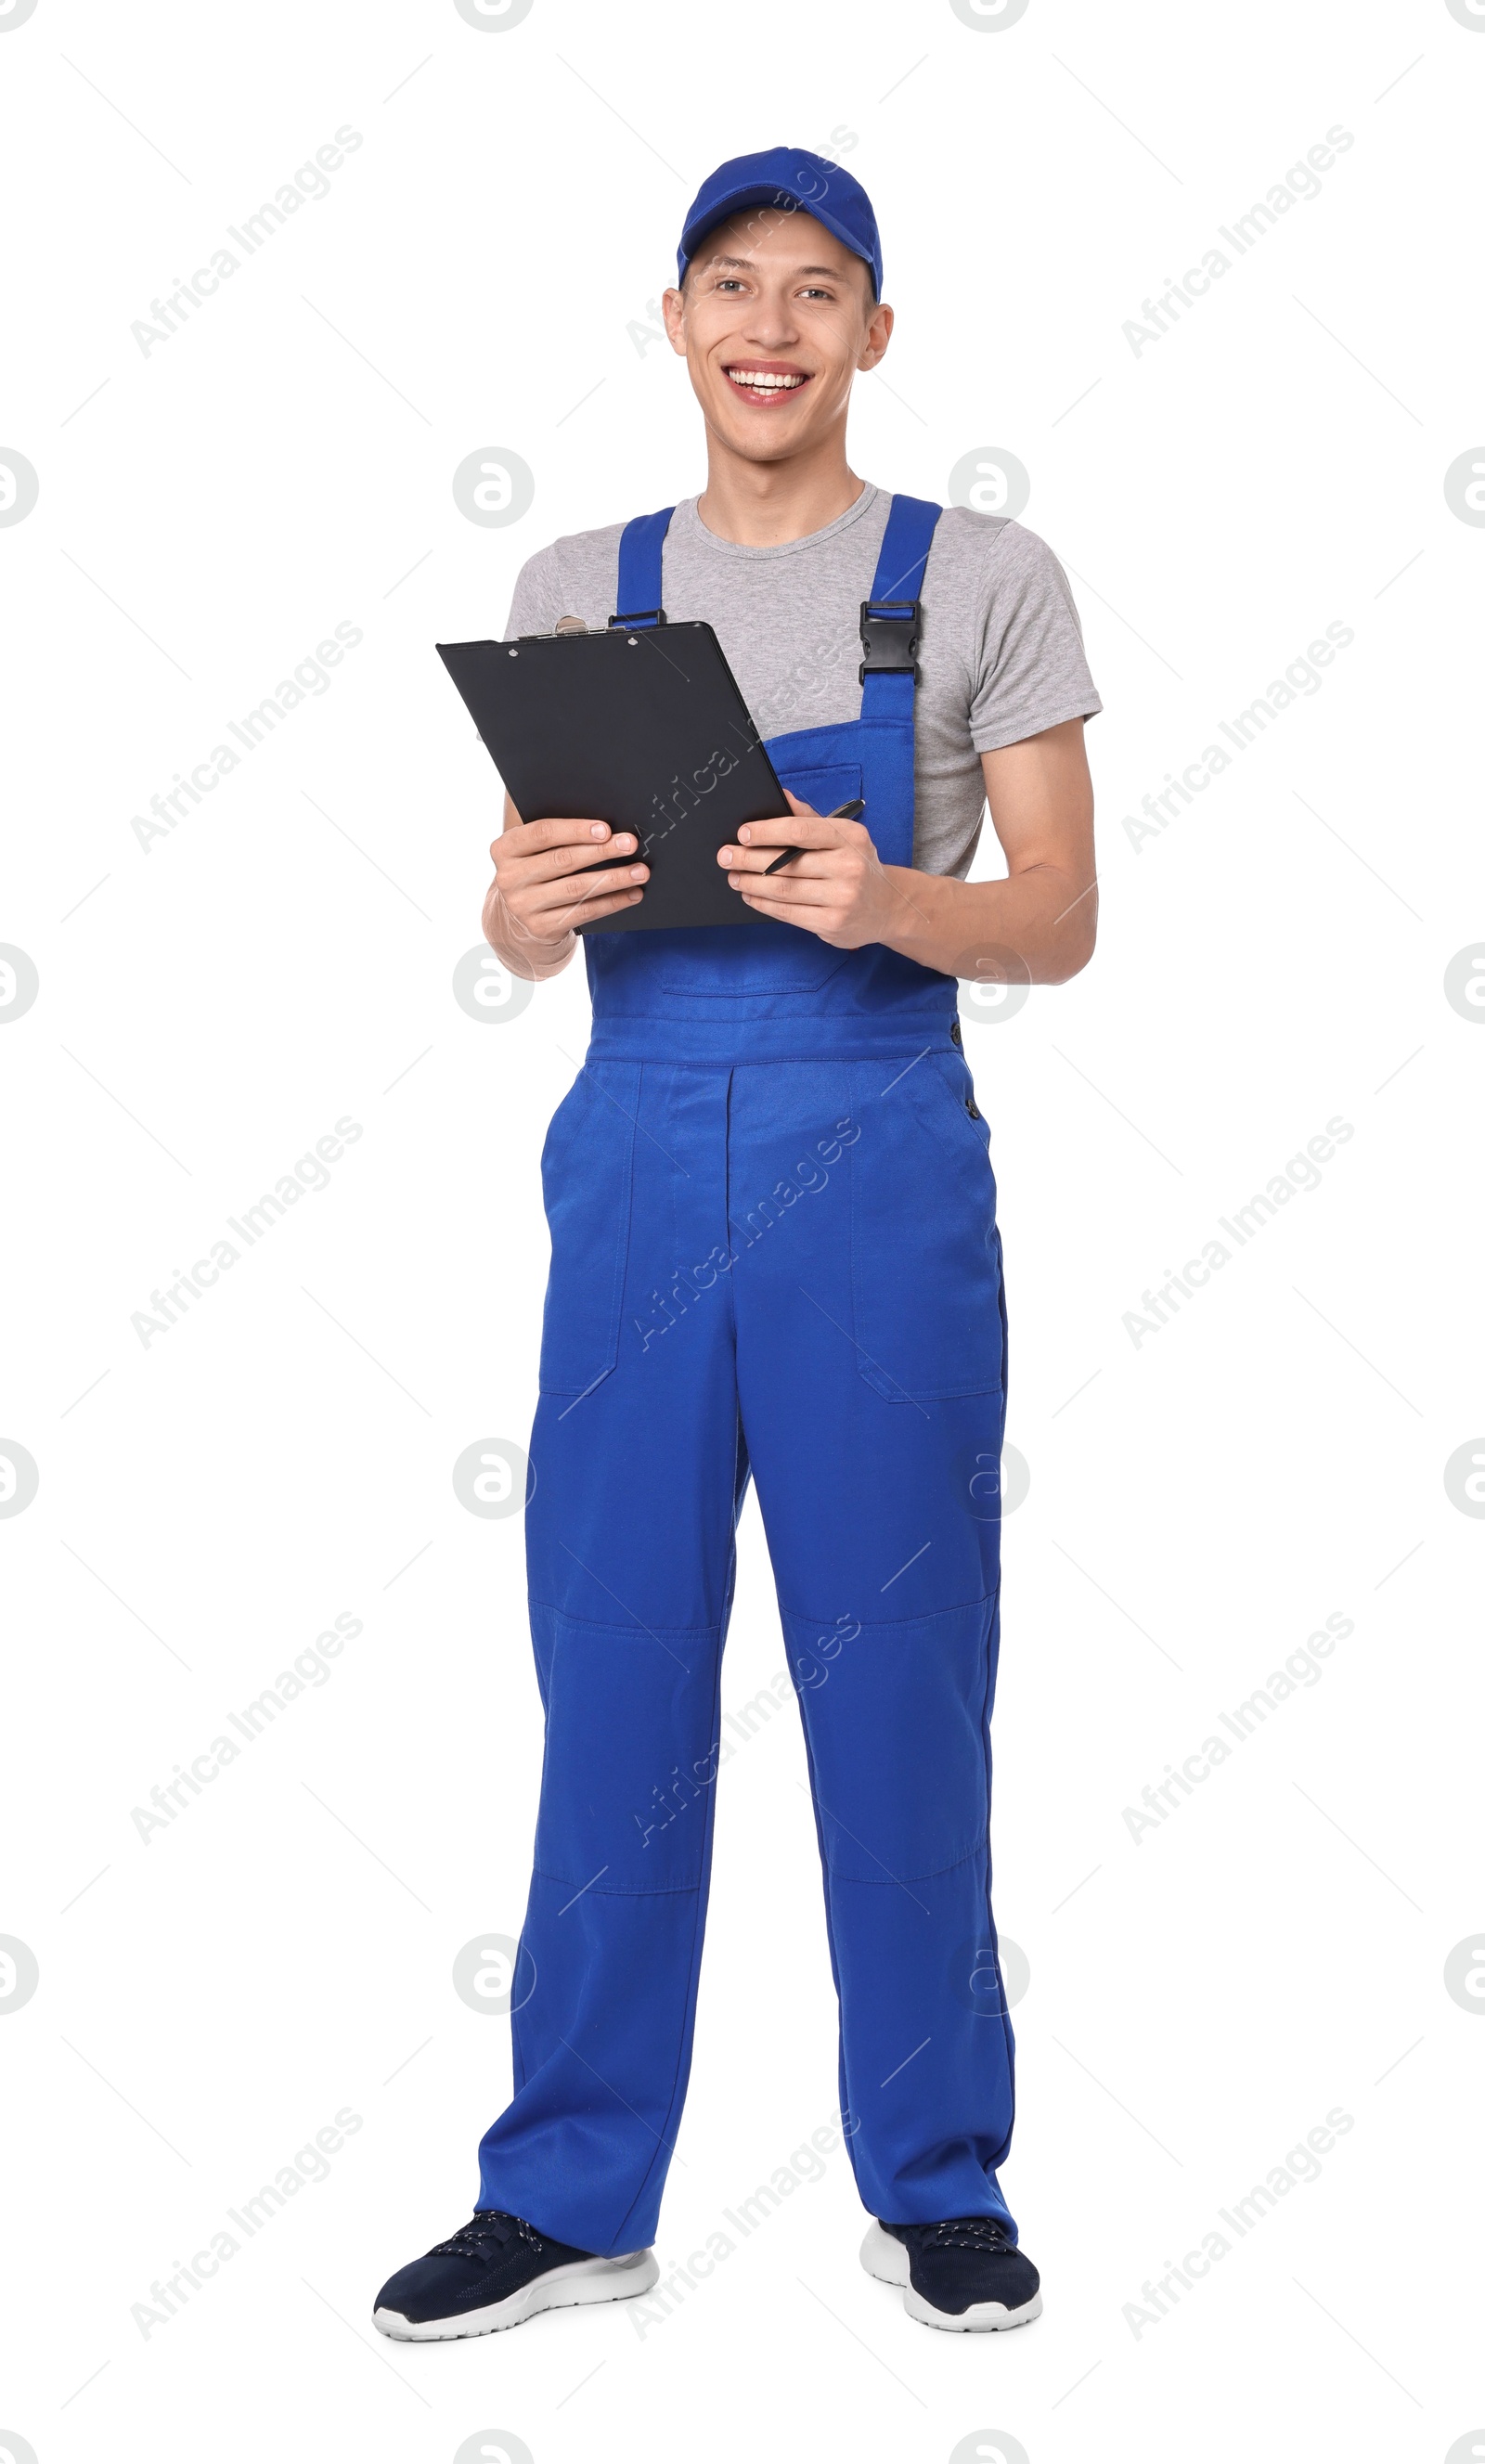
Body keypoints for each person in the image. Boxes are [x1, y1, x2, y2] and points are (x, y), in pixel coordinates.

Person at [374, 144, 1100, 2343]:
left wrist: (889, 899)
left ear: (874, 332)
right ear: (675, 323)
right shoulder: (572, 581)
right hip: (625, 1176)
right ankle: (572, 2187)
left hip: (872, 1162)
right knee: (607, 1674)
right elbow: (529, 893)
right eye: (728, 287)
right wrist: (506, 918)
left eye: (816, 291)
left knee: (896, 1681)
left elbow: (1057, 917)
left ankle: (934, 2172)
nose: (768, 327)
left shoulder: (978, 575)